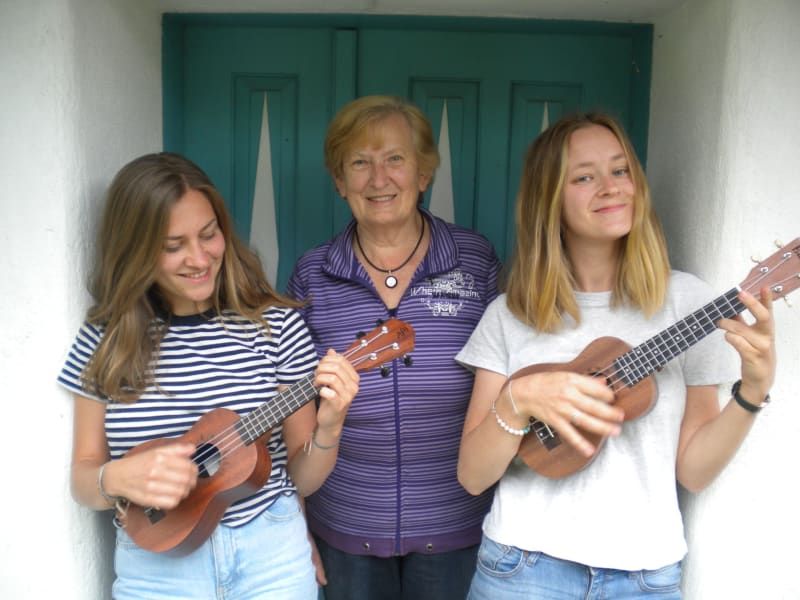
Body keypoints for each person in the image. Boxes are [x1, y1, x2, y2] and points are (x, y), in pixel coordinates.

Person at [456, 112, 776, 599]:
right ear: (549, 200)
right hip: (523, 569)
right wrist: (518, 400)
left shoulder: (688, 303)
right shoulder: (510, 314)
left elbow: (693, 472)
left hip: (645, 577)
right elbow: (473, 476)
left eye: (620, 170)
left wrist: (752, 390)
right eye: (584, 177)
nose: (611, 187)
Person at [58, 152, 360, 599]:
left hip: (269, 556)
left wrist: (330, 427)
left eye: (208, 234)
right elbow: (83, 478)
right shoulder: (105, 338)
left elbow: (304, 478)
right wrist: (116, 478)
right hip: (155, 566)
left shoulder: (276, 325)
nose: (199, 258)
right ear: (136, 250)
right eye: (173, 246)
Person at [286, 95, 502, 599]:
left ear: (424, 173)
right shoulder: (313, 273)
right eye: (359, 162)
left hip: (457, 526)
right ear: (339, 181)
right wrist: (295, 524)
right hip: (344, 528)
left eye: (395, 159)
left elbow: (506, 378)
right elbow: (291, 414)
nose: (378, 179)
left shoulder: (474, 259)